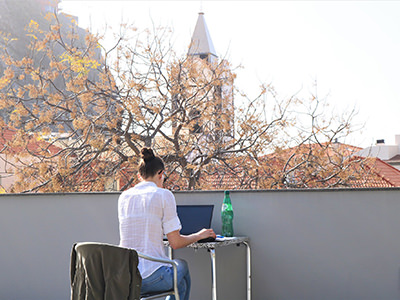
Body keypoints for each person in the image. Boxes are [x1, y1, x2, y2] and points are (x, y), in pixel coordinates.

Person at [118, 147, 216, 300]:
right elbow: (175, 243)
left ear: (139, 176)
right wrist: (199, 235)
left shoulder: (124, 197)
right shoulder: (164, 195)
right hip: (152, 277)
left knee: (181, 283)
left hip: (126, 277)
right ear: (160, 174)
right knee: (181, 265)